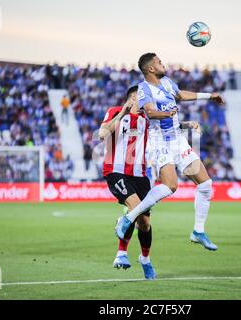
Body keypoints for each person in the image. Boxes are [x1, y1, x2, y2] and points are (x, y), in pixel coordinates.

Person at [115, 52, 225, 251]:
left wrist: (210, 96)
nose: (162, 64)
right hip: (158, 142)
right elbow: (149, 111)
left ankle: (198, 232)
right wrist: (167, 112)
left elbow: (181, 95)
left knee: (206, 184)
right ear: (150, 68)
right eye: (159, 62)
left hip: (177, 139)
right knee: (171, 186)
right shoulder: (143, 89)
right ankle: (129, 217)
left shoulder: (166, 82)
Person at [99, 86, 156, 279]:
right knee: (136, 207)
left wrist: (189, 125)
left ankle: (145, 259)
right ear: (133, 98)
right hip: (116, 172)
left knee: (145, 223)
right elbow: (102, 134)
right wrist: (123, 111)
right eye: (142, 98)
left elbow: (169, 127)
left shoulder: (147, 118)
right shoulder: (115, 111)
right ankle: (122, 253)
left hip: (141, 176)